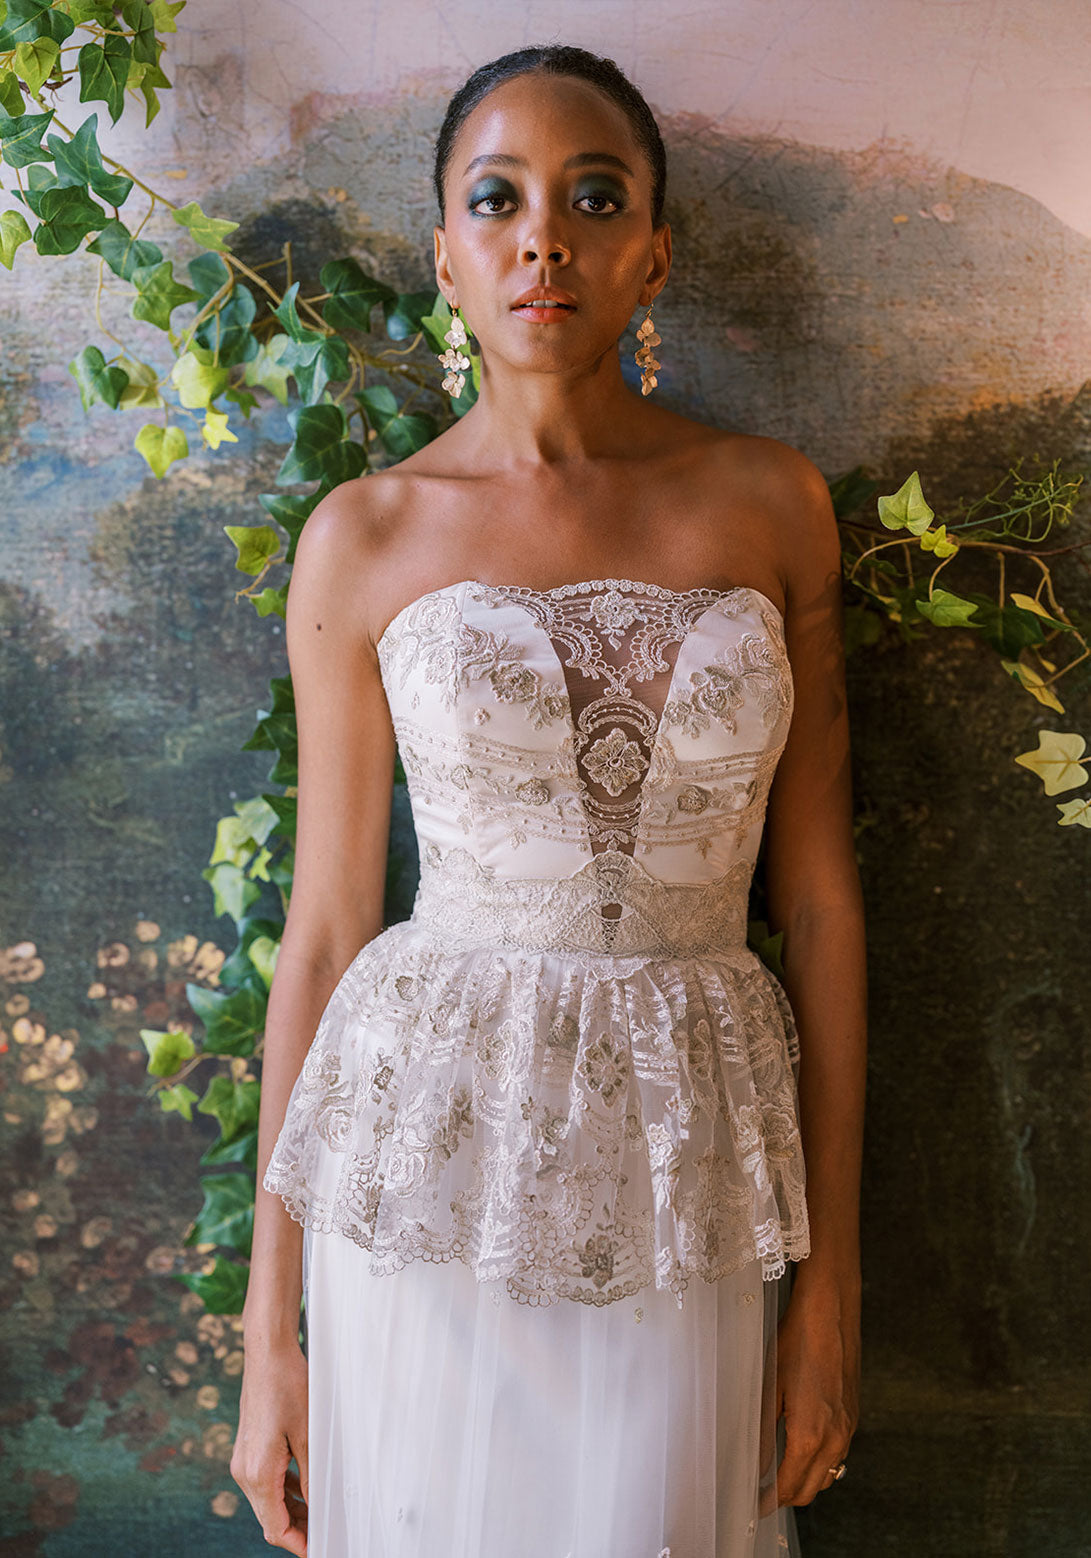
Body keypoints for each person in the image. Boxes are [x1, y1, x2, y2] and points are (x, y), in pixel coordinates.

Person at [230, 42, 866, 1558]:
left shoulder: (774, 504)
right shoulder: (367, 535)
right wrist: (270, 1333)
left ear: (655, 251)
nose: (543, 237)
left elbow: (825, 907)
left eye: (594, 197)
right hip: (422, 1180)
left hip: (688, 1173)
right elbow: (322, 936)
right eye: (497, 199)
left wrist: (833, 1284)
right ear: (445, 252)